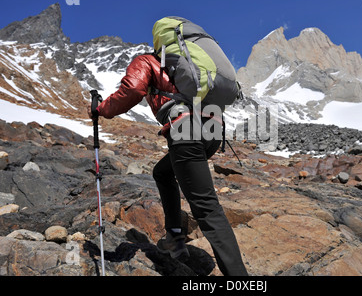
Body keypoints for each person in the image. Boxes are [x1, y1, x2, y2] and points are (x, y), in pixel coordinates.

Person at [87, 52, 248, 276]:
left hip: (186, 130)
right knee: (162, 172)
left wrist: (101, 109)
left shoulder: (145, 60)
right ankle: (174, 237)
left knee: (207, 208)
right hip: (212, 132)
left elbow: (133, 89)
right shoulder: (191, 65)